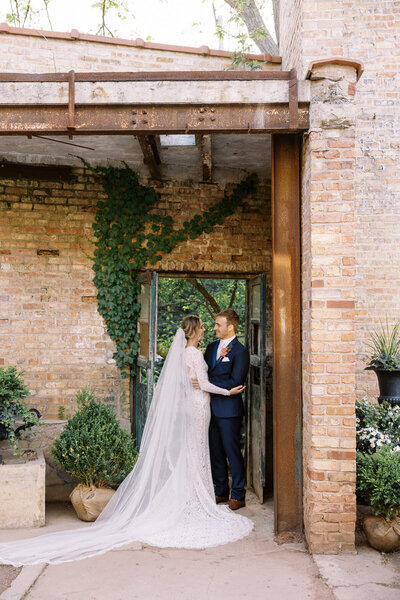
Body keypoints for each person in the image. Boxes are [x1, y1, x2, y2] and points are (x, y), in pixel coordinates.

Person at [0, 316, 253, 566]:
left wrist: (214, 386)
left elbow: (201, 380)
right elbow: (204, 382)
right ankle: (197, 498)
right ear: (194, 331)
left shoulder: (198, 352)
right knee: (198, 451)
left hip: (198, 406)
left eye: (215, 324)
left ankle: (198, 496)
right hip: (200, 406)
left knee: (196, 451)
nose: (208, 328)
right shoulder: (199, 353)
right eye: (203, 326)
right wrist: (228, 391)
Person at [195, 309, 250, 510]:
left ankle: (238, 494)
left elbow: (236, 381)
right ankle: (220, 491)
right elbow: (204, 372)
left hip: (229, 411)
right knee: (215, 452)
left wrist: (205, 382)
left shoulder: (241, 352)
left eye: (218, 325)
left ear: (230, 327)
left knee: (232, 452)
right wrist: (206, 382)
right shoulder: (210, 348)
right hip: (209, 409)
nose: (214, 328)